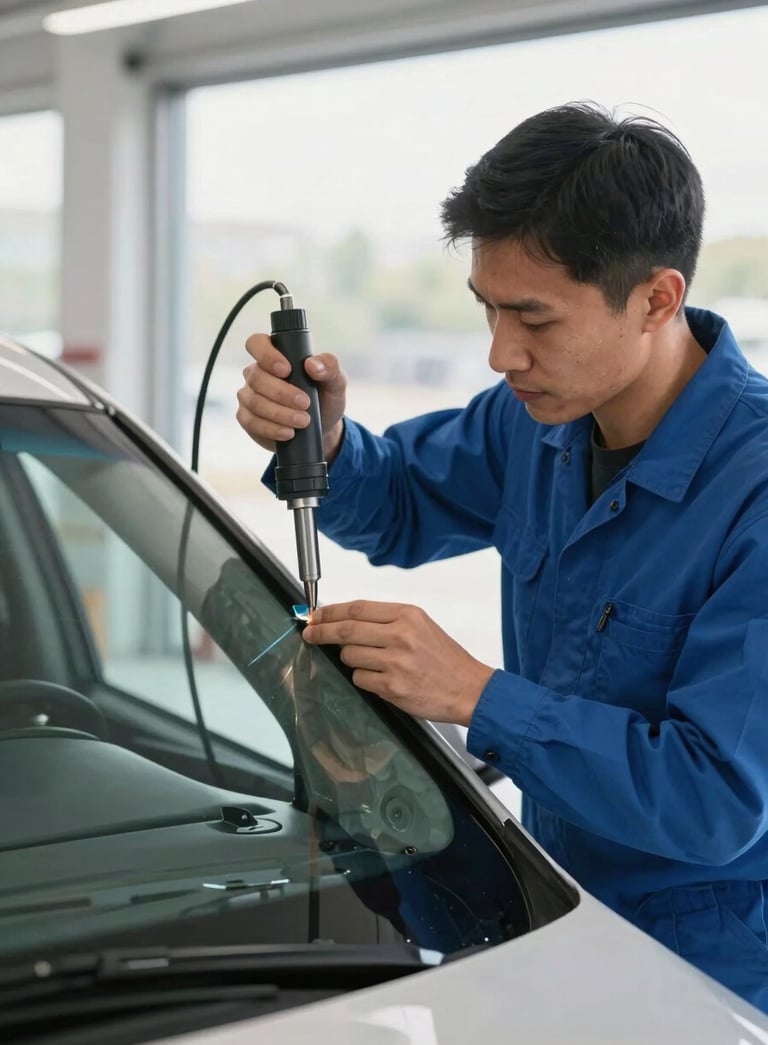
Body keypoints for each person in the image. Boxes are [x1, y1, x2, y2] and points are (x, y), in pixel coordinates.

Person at [236, 101, 768, 1010]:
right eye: (486, 309)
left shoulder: (752, 492)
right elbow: (402, 498)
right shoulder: (541, 421)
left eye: (534, 319)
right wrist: (325, 445)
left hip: (708, 969)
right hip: (552, 911)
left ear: (657, 297)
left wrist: (475, 695)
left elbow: (714, 798)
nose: (498, 353)